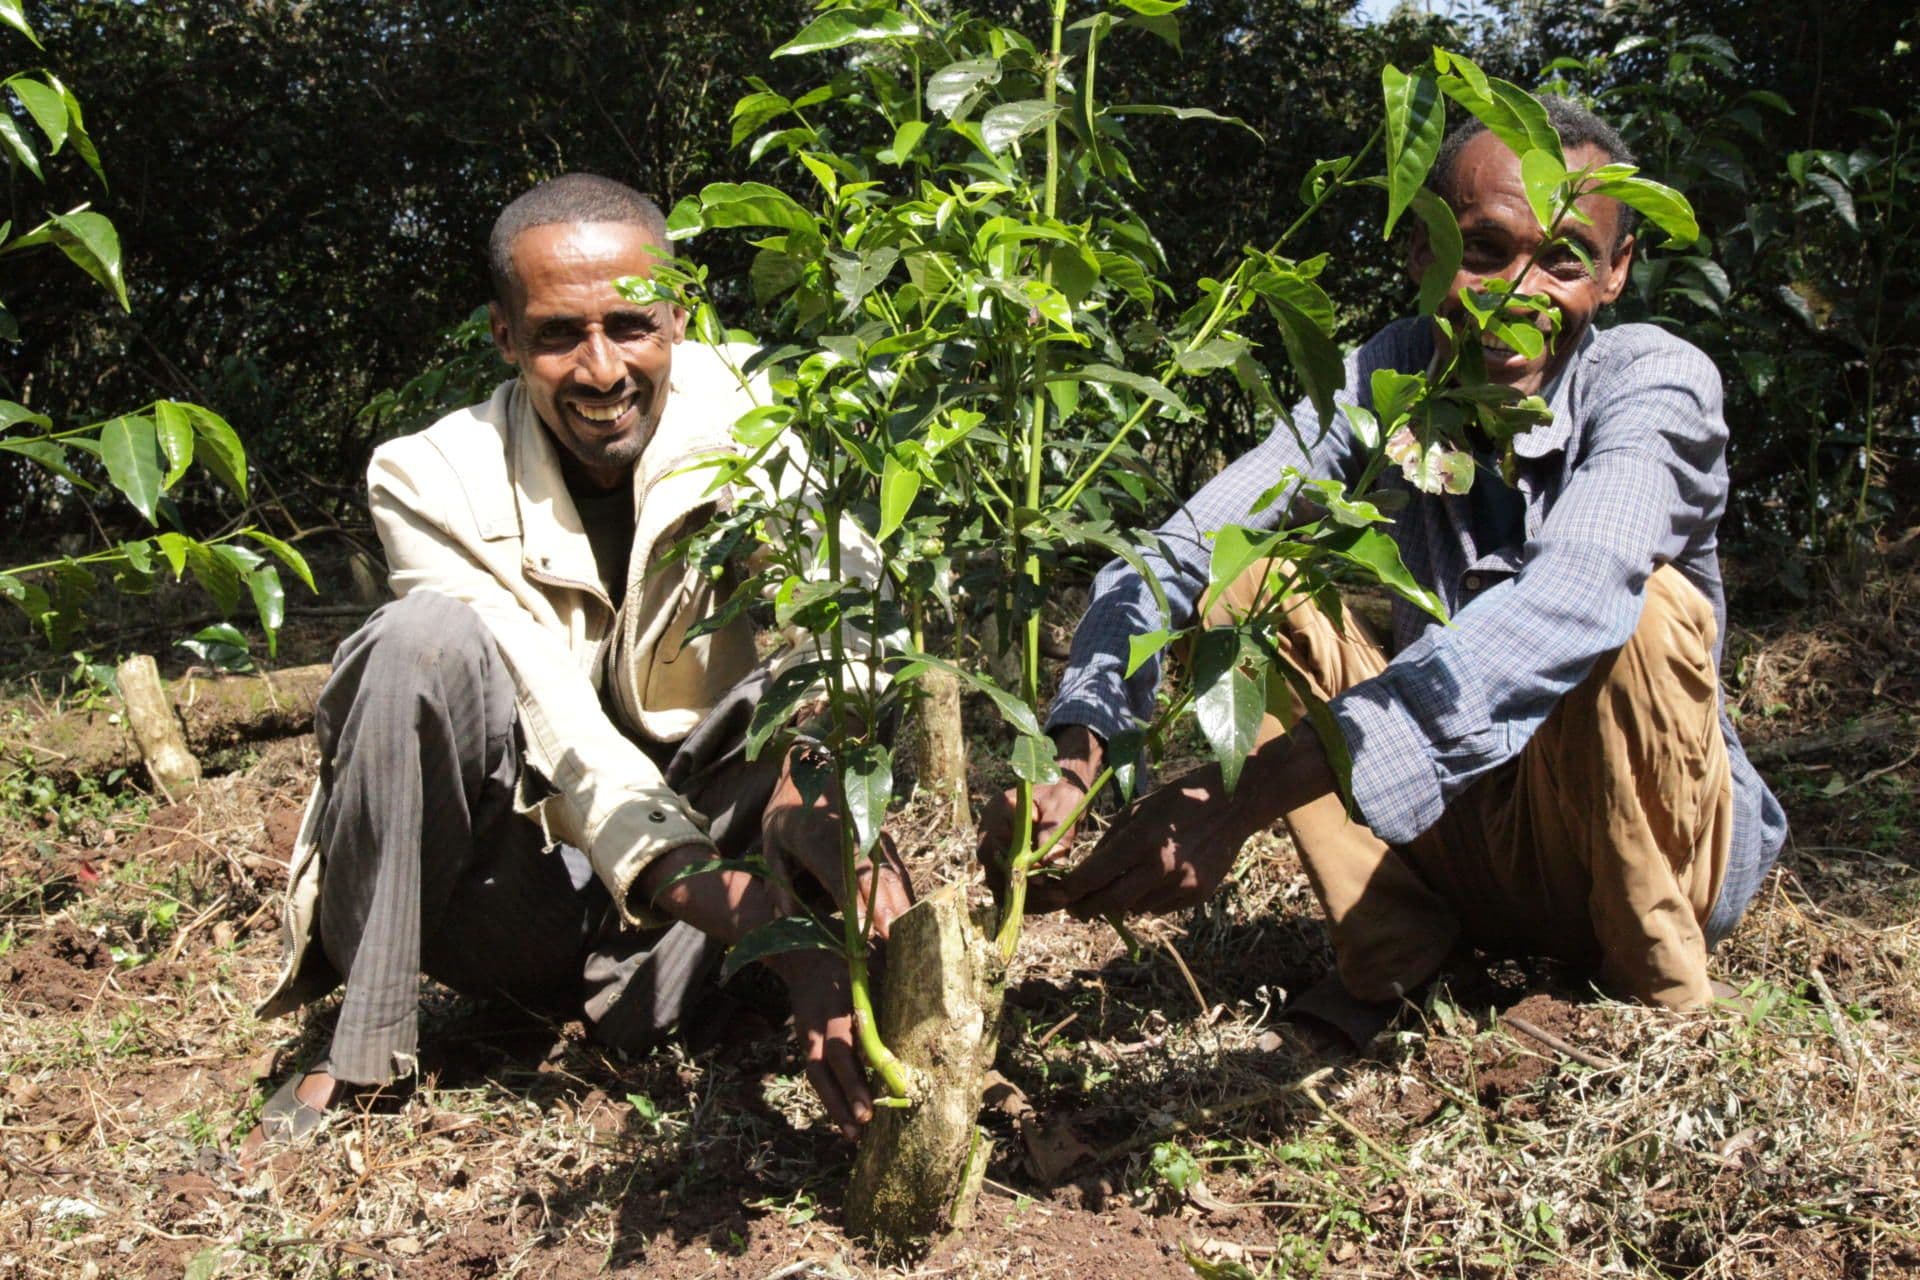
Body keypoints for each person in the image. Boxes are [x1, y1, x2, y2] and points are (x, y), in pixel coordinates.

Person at [985, 98, 1787, 1047]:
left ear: (1614, 275)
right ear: (1422, 251)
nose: (1516, 293)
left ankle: (1653, 998)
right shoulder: (1390, 373)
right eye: (1482, 251)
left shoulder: (1658, 381)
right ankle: (1406, 958)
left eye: (1565, 259)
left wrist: (1243, 796)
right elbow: (1188, 543)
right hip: (1465, 836)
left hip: (1658, 847)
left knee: (1634, 610)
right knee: (1249, 579)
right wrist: (1081, 744)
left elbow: (1575, 591)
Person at [246, 174, 907, 1154]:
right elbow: (560, 726)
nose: (601, 370)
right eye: (557, 334)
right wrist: (774, 928)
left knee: (815, 696)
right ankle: (365, 1041)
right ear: (505, 337)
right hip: (516, 890)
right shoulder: (428, 475)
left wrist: (811, 796)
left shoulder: (765, 408)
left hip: (706, 835)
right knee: (414, 642)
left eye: (631, 325)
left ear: (679, 314)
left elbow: (851, 616)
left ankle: (735, 973)